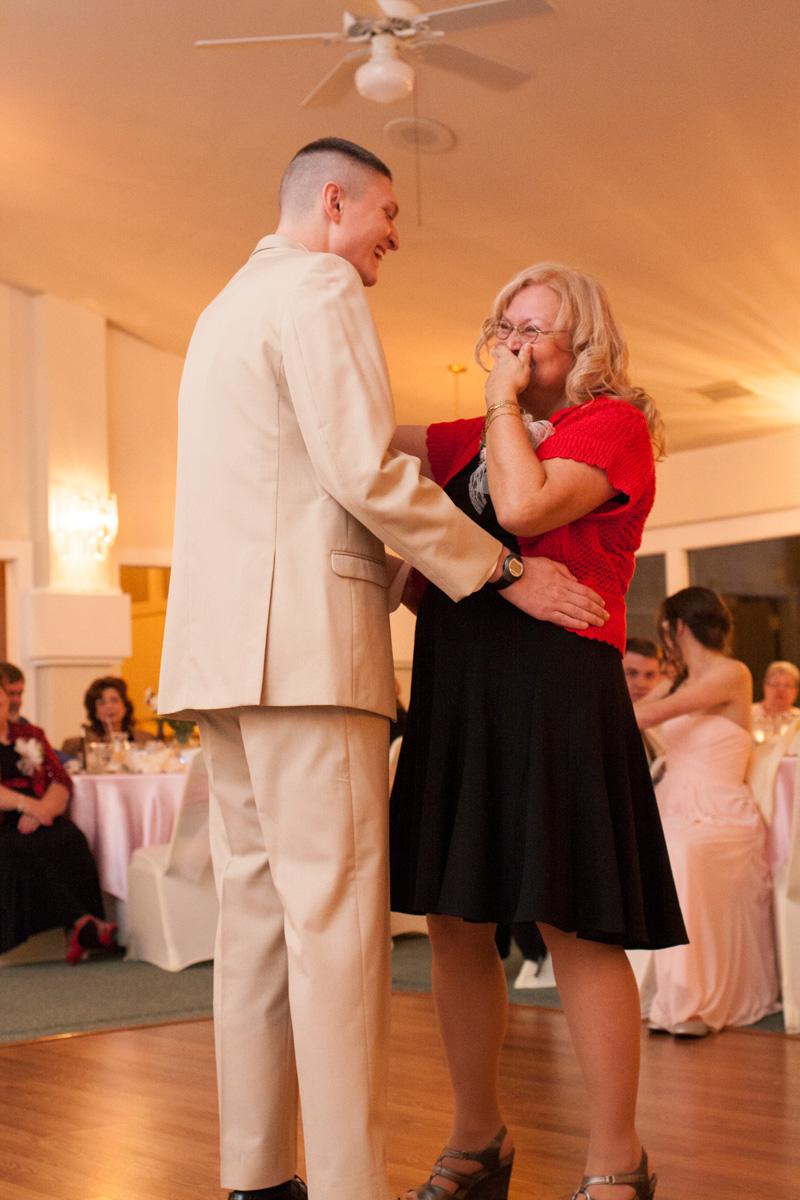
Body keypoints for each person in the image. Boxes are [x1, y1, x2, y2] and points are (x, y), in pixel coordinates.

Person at [156, 141, 608, 1200]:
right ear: (333, 202)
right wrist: (503, 572)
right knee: (339, 930)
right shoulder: (319, 288)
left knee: (256, 924)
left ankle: (257, 1177)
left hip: (221, 659)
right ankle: (349, 1189)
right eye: (387, 213)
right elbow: (360, 468)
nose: (393, 237)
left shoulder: (221, 310)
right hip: (307, 656)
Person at [390, 263, 687, 1200]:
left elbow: (520, 507)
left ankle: (617, 1159)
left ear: (583, 341)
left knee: (572, 921)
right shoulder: (468, 438)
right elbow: (364, 438)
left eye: (534, 328)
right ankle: (478, 1138)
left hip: (555, 690)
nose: (514, 344)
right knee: (452, 918)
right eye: (505, 327)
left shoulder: (613, 425)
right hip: (459, 687)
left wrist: (498, 402)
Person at [634, 587, 779, 1038]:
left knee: (682, 851)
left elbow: (642, 717)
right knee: (641, 845)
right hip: (673, 804)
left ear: (674, 628)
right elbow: (633, 711)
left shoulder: (731, 674)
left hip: (722, 814)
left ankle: (691, 1004)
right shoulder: (674, 681)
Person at [0, 680, 117, 961]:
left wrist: (44, 811)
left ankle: (85, 926)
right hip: (5, 817)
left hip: (39, 812)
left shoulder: (29, 733)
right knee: (20, 849)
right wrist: (28, 806)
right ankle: (83, 922)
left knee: (71, 837)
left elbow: (59, 778)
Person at [61, 676, 154, 759]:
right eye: (102, 703)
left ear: (125, 706)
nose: (109, 707)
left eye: (115, 700)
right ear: (95, 712)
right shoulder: (76, 746)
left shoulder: (147, 740)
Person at [622, 637, 665, 769]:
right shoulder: (599, 722)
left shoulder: (669, 724)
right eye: (632, 673)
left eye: (650, 675)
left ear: (660, 678)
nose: (641, 684)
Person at [751, 659, 800, 742]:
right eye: (775, 684)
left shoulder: (798, 719)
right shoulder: (749, 714)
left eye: (788, 685)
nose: (781, 690)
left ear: (796, 690)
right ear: (765, 687)